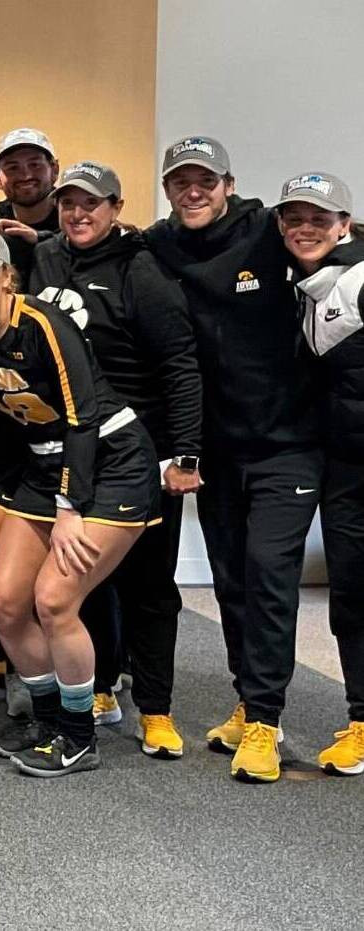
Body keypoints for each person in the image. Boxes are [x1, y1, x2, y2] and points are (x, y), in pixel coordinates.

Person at [0, 227, 158, 777]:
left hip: (110, 462)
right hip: (44, 464)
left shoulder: (42, 323)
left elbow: (83, 418)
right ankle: (48, 718)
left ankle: (79, 736)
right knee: (5, 602)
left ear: (7, 276)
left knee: (55, 600)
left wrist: (70, 507)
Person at [143, 137, 319, 783]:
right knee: (232, 581)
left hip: (287, 444)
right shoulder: (158, 245)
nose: (193, 191)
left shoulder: (268, 231)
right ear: (168, 188)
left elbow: (335, 236)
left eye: (206, 181)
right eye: (180, 181)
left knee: (270, 576)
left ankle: (267, 720)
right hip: (215, 447)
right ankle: (249, 700)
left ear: (229, 185)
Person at [27, 161, 202, 759]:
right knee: (86, 578)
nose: (78, 214)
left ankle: (157, 709)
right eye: (68, 203)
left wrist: (184, 455)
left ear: (116, 208)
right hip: (74, 447)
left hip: (139, 450)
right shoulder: (46, 257)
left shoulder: (140, 269)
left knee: (149, 585)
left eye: (92, 204)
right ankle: (101, 686)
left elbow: (180, 366)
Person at [278, 171, 364, 776]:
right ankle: (361, 720)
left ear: (344, 225)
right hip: (342, 469)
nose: (305, 228)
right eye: (295, 218)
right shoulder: (302, 284)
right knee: (351, 595)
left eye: (319, 219)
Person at [0, 128, 62, 236]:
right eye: (13, 168)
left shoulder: (76, 221)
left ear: (55, 170)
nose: (25, 176)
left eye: (34, 165)